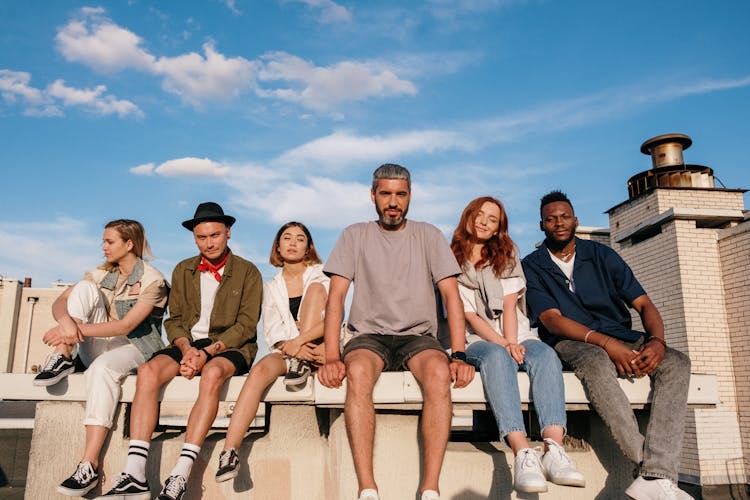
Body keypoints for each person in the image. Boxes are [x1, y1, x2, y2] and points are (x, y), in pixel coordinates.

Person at [318, 163, 475, 500]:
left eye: (400, 194)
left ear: (409, 196)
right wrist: (332, 356)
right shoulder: (354, 234)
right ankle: (367, 489)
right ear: (373, 195)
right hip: (368, 336)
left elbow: (452, 297)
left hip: (418, 337)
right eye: (385, 193)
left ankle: (430, 489)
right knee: (357, 370)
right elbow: (336, 299)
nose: (393, 201)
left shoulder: (428, 234)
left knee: (437, 371)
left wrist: (459, 354)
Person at [521, 190, 692, 500]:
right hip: (569, 342)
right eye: (550, 219)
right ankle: (649, 469)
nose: (558, 223)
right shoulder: (532, 265)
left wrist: (657, 341)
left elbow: (644, 305)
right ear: (541, 225)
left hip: (620, 335)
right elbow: (551, 320)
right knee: (596, 359)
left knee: (677, 362)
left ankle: (654, 475)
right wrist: (608, 344)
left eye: (564, 217)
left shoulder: (603, 255)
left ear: (575, 220)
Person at [97, 202, 262, 500]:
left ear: (228, 233)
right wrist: (187, 349)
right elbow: (174, 321)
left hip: (232, 346)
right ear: (195, 238)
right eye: (202, 237)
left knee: (211, 374)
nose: (209, 243)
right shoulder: (183, 269)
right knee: (147, 371)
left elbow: (247, 326)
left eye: (214, 235)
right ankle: (135, 473)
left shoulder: (248, 272)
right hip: (189, 344)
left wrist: (207, 353)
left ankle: (181, 474)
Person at [450, 196, 585, 493]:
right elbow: (470, 316)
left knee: (546, 356)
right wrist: (502, 344)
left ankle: (553, 449)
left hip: (518, 332)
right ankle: (522, 451)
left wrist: (512, 342)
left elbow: (510, 305)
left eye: (493, 219)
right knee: (496, 358)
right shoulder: (452, 260)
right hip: (477, 339)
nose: (484, 221)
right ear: (468, 216)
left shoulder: (507, 253)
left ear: (500, 228)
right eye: (480, 214)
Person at [33, 219, 168, 497]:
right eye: (103, 241)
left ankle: (89, 464)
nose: (103, 247)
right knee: (83, 288)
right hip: (91, 341)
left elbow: (125, 327)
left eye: (109, 242)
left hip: (134, 346)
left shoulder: (153, 279)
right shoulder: (101, 273)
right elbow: (61, 301)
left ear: (129, 244)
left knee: (102, 370)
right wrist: (67, 326)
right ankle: (62, 357)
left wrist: (72, 329)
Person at [215, 221, 329, 483]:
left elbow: (332, 318)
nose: (292, 243)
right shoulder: (271, 286)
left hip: (319, 348)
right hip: (288, 353)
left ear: (309, 247)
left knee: (314, 292)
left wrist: (301, 340)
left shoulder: (322, 275)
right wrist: (295, 348)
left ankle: (300, 365)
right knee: (258, 373)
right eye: (286, 238)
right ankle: (229, 451)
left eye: (300, 239)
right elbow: (273, 332)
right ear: (277, 246)